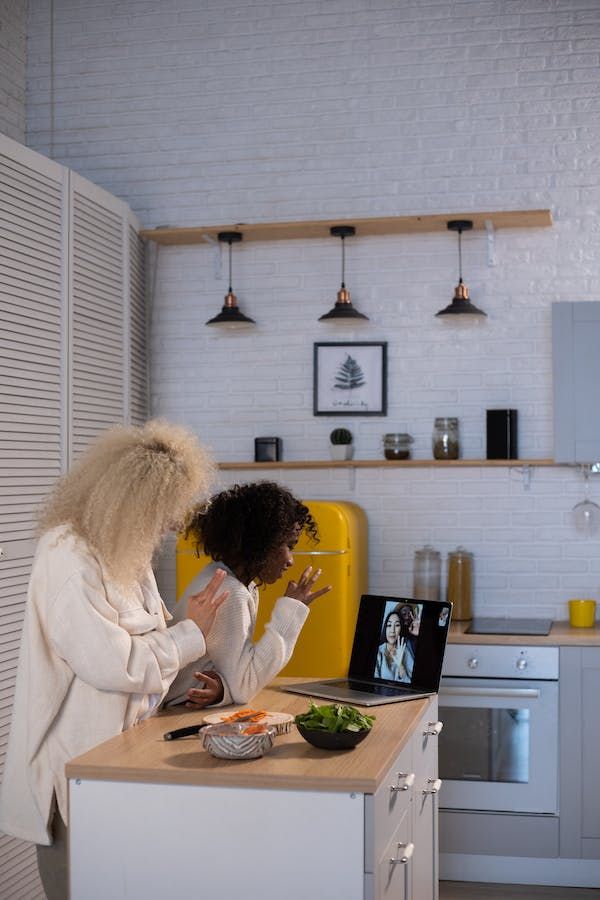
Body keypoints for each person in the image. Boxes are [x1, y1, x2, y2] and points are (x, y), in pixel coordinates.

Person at [0, 419, 228, 900]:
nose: (174, 525)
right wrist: (192, 632)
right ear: (136, 501)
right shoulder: (66, 552)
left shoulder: (126, 549)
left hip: (122, 762)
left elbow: (151, 649)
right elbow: (114, 665)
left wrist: (189, 651)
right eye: (167, 510)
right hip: (77, 776)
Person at [166, 481, 332, 709]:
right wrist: (291, 611)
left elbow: (231, 674)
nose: (291, 560)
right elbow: (244, 686)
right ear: (261, 542)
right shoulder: (229, 592)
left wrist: (222, 690)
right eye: (288, 545)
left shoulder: (229, 579)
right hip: (172, 716)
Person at [375, 603, 417, 683]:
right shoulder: (379, 652)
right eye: (389, 625)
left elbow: (413, 684)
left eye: (397, 625)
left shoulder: (405, 650)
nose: (392, 630)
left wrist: (400, 665)